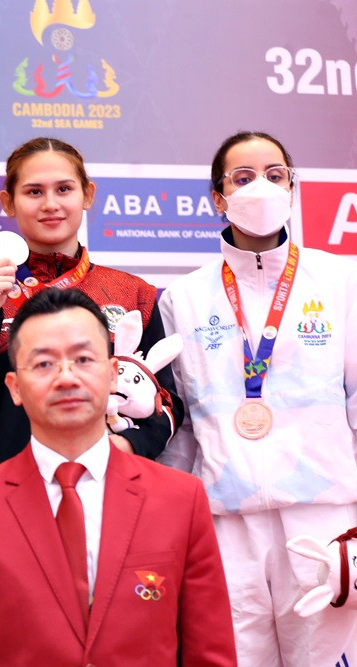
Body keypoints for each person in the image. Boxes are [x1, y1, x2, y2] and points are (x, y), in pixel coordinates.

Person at [0, 288, 236, 666]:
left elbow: (210, 653)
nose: (66, 378)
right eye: (43, 363)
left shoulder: (180, 500)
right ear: (15, 388)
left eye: (83, 359)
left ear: (113, 374)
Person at [158, 130, 357, 665]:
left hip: (326, 520)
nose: (260, 187)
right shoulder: (184, 297)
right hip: (226, 524)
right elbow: (182, 429)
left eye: (274, 175)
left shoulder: (341, 279)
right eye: (242, 178)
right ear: (218, 198)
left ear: (292, 187)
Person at [0, 137, 183, 473]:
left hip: (112, 483)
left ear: (87, 194)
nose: (50, 204)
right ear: (8, 202)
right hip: (15, 490)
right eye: (34, 192)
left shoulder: (133, 294)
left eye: (63, 189)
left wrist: (130, 444)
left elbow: (167, 402)